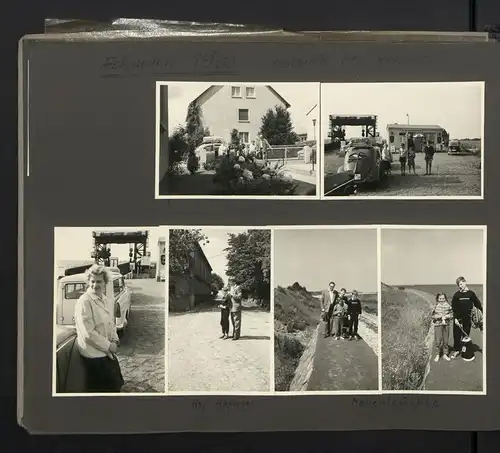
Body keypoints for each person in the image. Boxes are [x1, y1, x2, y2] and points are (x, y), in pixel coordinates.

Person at [74, 264, 123, 393]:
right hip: (93, 355)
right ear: (88, 282)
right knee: (103, 390)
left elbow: (110, 324)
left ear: (105, 282)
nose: (96, 285)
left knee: (116, 385)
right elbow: (88, 334)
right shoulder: (84, 301)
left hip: (105, 351)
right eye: (93, 281)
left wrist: (115, 340)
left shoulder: (105, 299)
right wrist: (109, 346)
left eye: (99, 281)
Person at [450, 276, 483, 359]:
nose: (460, 286)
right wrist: (456, 319)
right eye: (458, 285)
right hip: (458, 318)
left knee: (466, 335)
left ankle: (464, 350)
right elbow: (454, 307)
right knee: (457, 335)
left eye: (461, 284)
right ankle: (457, 350)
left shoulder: (471, 294)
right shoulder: (457, 295)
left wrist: (482, 313)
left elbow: (477, 303)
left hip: (467, 318)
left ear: (465, 282)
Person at [431, 292, 454, 362]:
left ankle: (445, 354)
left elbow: (452, 314)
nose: (441, 300)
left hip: (446, 325)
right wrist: (439, 317)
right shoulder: (435, 306)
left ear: (445, 299)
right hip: (438, 325)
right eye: (440, 298)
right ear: (437, 299)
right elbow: (432, 316)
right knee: (438, 341)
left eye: (443, 298)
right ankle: (437, 354)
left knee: (446, 341)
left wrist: (448, 316)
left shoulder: (449, 306)